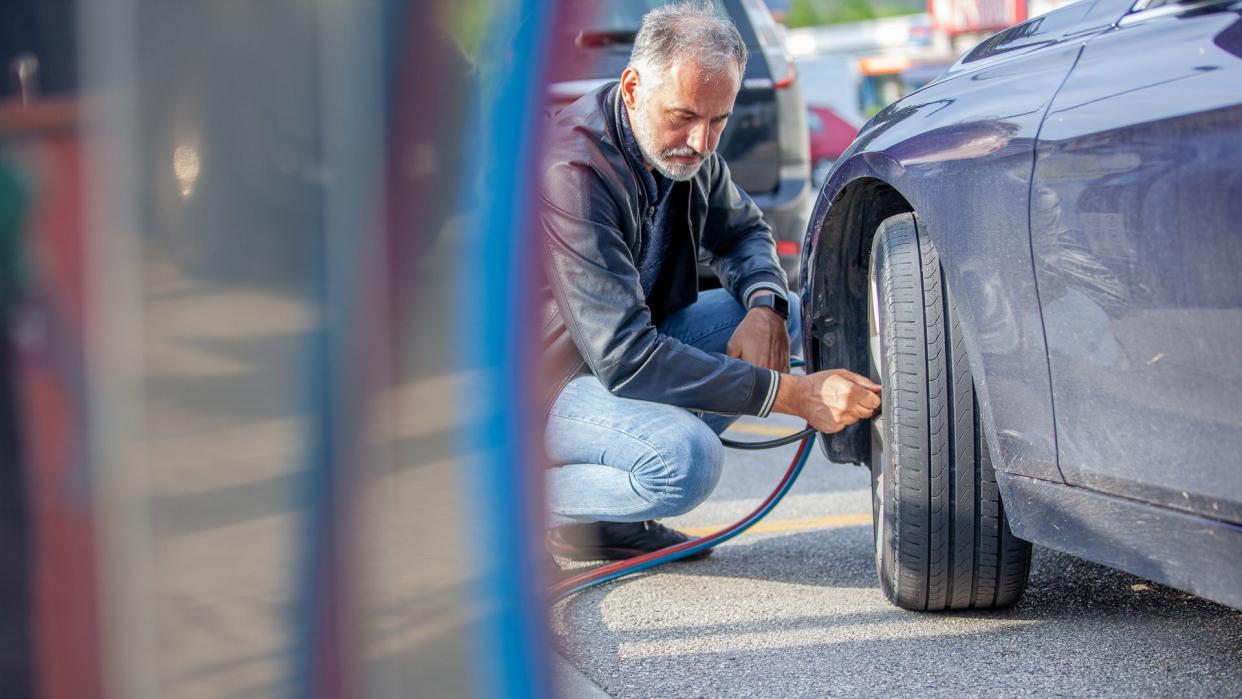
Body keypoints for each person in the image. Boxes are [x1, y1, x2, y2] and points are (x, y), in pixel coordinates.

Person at [538, 1, 880, 562]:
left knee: (788, 312)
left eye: (717, 120)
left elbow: (743, 232)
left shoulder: (681, 151)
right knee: (684, 462)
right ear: (631, 88)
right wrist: (790, 395)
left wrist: (764, 305)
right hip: (548, 385)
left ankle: (610, 526)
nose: (701, 142)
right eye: (684, 116)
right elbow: (627, 358)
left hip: (623, 351)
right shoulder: (572, 172)